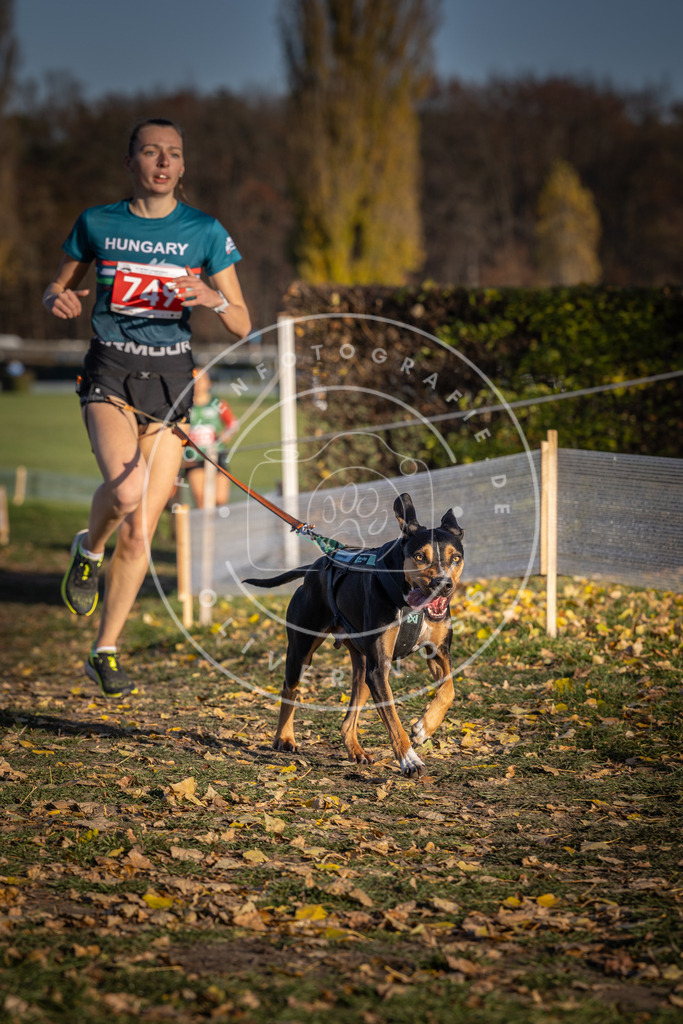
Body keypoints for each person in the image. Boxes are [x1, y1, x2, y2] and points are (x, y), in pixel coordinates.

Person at [43, 118, 251, 698]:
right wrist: (57, 298)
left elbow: (243, 320)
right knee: (127, 490)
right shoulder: (98, 223)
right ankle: (89, 548)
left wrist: (213, 297)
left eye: (174, 154)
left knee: (142, 531)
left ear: (183, 169)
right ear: (130, 162)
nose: (163, 162)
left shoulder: (204, 231)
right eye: (151, 152)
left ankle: (104, 649)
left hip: (171, 382)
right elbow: (56, 286)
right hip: (110, 370)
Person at [182, 372, 238, 508]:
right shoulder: (185, 406)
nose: (198, 383)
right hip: (194, 457)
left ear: (208, 382)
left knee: (220, 499)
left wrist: (226, 434)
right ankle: (204, 528)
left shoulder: (217, 403)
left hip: (216, 454)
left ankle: (218, 528)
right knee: (202, 499)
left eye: (202, 379)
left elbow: (233, 423)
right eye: (195, 379)